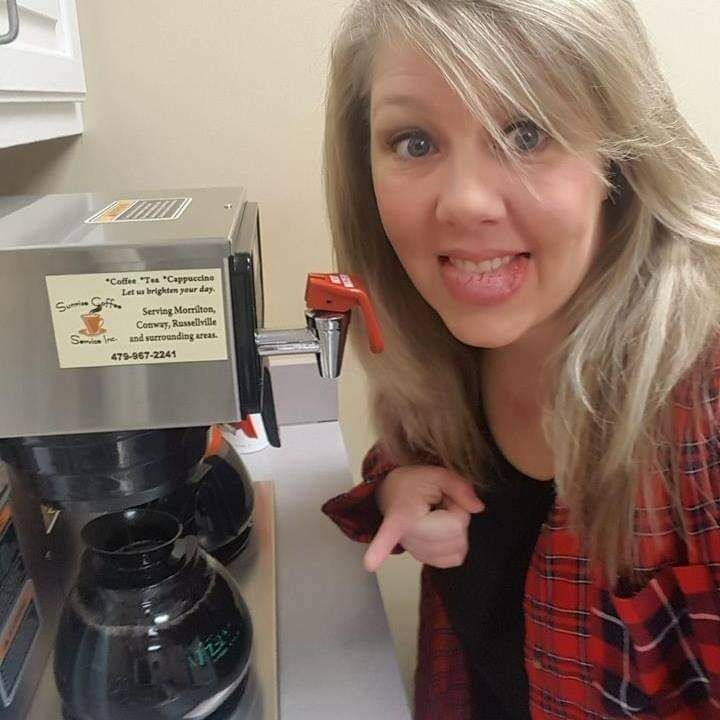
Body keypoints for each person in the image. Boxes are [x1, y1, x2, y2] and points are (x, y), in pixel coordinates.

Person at [319, 1, 720, 718]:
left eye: (527, 133)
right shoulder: (443, 347)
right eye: (415, 142)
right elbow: (403, 456)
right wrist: (396, 489)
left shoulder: (704, 406)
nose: (464, 203)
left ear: (618, 159)